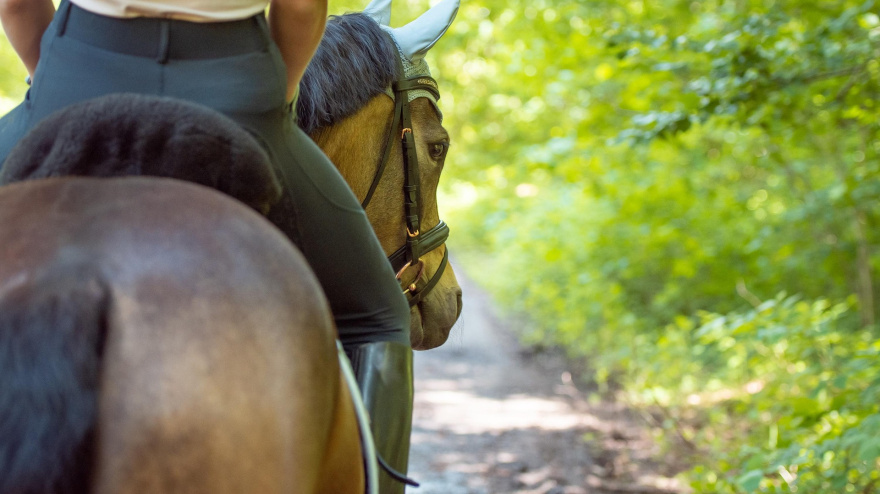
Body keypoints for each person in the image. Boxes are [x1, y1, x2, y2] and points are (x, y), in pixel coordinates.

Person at [0, 0, 415, 491]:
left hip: (74, 78)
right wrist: (274, 99)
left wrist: (52, 81)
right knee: (380, 317)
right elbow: (302, 6)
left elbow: (18, 3)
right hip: (237, 92)